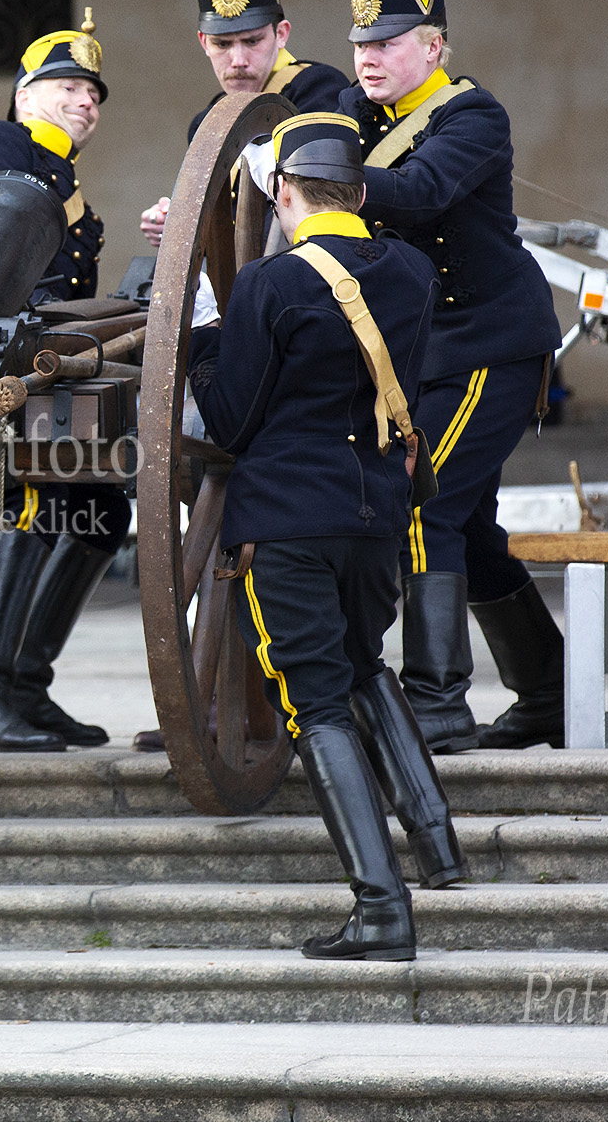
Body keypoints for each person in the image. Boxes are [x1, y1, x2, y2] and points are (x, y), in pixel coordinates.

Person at [188, 112, 466, 962]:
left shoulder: (273, 284)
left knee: (314, 702)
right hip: (377, 514)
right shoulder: (413, 272)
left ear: (284, 191)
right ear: (359, 190)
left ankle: (381, 909)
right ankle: (436, 843)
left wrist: (205, 337)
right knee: (362, 665)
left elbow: (231, 420)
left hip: (289, 520)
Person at [339, 0, 566, 752]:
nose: (369, 58)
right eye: (363, 43)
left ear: (433, 49)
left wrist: (325, 179)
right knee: (467, 530)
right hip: (427, 350)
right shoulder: (352, 112)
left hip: (492, 339)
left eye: (390, 43)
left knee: (424, 500)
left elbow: (426, 191)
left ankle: (436, 702)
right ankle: (550, 694)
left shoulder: (473, 116)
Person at [0, 11, 128, 753]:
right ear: (24, 95)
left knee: (100, 512)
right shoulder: (1, 145)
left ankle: (26, 686)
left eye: (93, 94)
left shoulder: (66, 180)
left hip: (51, 377)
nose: (86, 102)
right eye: (67, 88)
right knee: (29, 510)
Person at [139, 0, 351, 249]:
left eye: (252, 41)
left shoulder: (318, 88)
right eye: (222, 44)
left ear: (281, 34)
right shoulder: (207, 120)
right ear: (203, 42)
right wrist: (173, 221)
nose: (238, 59)